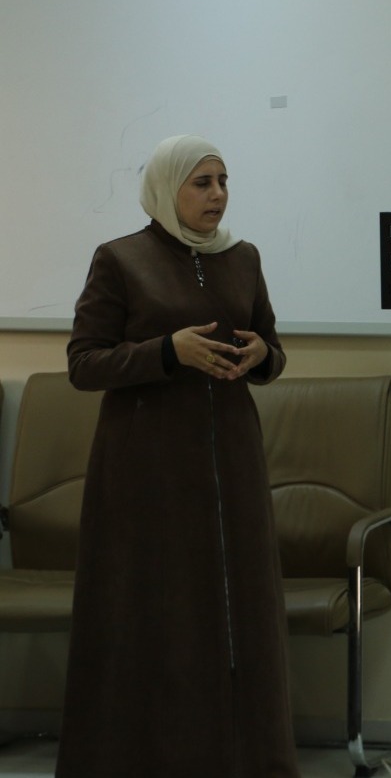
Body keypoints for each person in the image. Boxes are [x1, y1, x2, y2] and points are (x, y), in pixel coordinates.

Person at [60, 135, 298, 777]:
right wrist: (168, 351)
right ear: (168, 187)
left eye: (223, 181)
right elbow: (84, 364)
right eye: (202, 182)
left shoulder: (242, 258)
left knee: (239, 613)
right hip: (148, 471)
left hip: (234, 466)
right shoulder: (121, 260)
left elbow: (272, 349)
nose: (218, 195)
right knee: (156, 614)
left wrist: (261, 357)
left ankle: (245, 760)